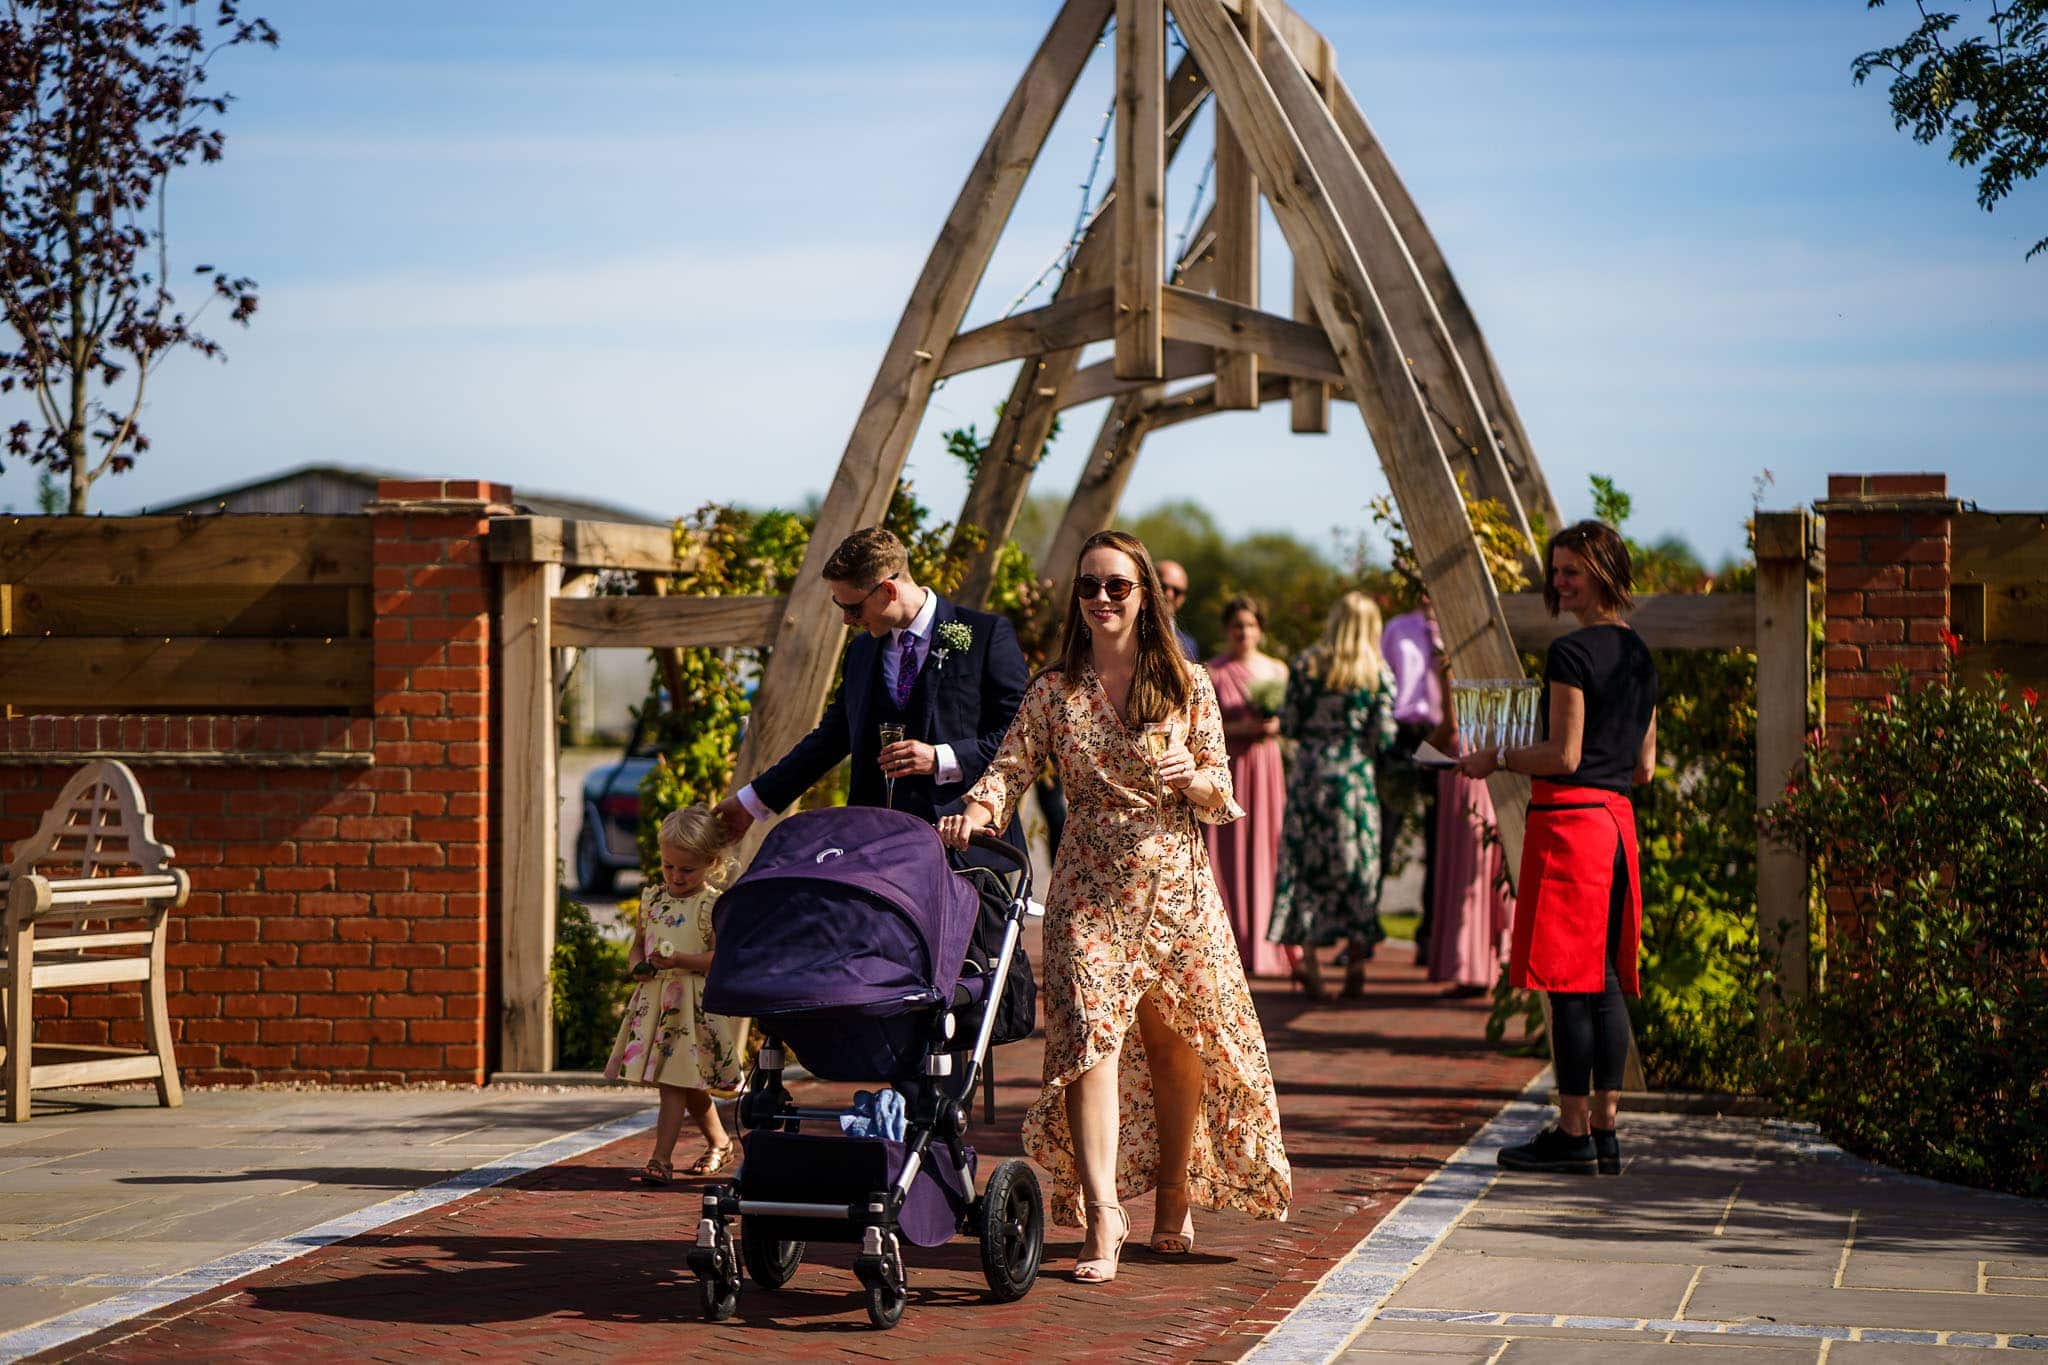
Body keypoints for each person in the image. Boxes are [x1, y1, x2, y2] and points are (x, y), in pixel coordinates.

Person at [938, 530, 1290, 1285]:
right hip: (1088, 891)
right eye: (1089, 586)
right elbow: (1008, 768)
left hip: (1176, 888)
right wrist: (976, 810)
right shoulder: (1055, 689)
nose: (1101, 598)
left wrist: (1191, 777)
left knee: (1174, 1041)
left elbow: (1222, 793)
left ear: (1144, 594)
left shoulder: (1187, 683)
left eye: (1117, 586)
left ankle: (1173, 1192)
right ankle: (1104, 1213)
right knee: (1087, 1046)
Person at [1457, 520, 1658, 1176]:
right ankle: (1605, 1130)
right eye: (1557, 571)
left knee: (1569, 983)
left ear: (1603, 571)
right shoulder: (1641, 654)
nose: (1560, 582)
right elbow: (1645, 768)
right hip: (1617, 823)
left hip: (1572, 825)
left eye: (1572, 571)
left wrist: (1497, 757)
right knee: (1605, 978)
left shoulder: (1572, 653)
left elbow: (1564, 755)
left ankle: (1572, 1132)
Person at [714, 526, 1030, 836]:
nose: (846, 619)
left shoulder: (986, 635)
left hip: (964, 840)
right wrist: (750, 803)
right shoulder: (861, 651)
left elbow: (1021, 736)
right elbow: (831, 738)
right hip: (876, 843)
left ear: (888, 591)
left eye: (853, 608)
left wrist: (941, 758)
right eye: (840, 606)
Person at [1266, 592, 1399, 999]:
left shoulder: (1306, 665)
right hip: (1353, 781)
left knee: (1304, 868)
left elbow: (1288, 723)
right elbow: (1385, 734)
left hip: (1310, 778)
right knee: (1359, 868)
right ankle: (1356, 961)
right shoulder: (1376, 673)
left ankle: (1309, 963)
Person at [605, 806, 746, 1183]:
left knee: (674, 1083)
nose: (676, 876)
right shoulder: (653, 900)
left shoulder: (711, 905)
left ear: (711, 864)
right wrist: (637, 965)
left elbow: (719, 957)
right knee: (684, 1081)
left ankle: (660, 1159)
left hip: (692, 1010)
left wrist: (681, 959)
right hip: (657, 1003)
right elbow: (638, 945)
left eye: (687, 869)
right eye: (669, 866)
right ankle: (720, 1142)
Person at [1204, 594, 1291, 979]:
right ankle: (1230, 942)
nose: (1244, 632)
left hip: (1266, 768)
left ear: (1261, 629)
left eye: (1251, 625)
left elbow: (1293, 718)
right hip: (1229, 767)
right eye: (1238, 625)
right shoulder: (1213, 672)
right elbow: (1203, 727)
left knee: (1267, 844)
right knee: (1227, 850)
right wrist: (1241, 728)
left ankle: (1266, 942)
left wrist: (1275, 726)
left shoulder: (1277, 670)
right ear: (1227, 629)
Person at [1425, 672, 1514, 996]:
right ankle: (1493, 961)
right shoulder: (1494, 664)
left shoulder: (1450, 664)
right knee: (1485, 862)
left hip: (1463, 765)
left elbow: (1451, 725)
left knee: (1465, 866)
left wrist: (1422, 752)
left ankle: (1470, 966)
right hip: (1492, 761)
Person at [1378, 599, 1444, 964]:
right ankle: (1365, 932)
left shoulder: (1453, 629)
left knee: (1439, 838)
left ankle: (1430, 936)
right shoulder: (1397, 628)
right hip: (1403, 734)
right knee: (1385, 833)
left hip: (1442, 734)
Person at [1156, 558, 1201, 660]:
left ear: (1183, 598)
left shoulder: (1189, 645)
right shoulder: (1127, 632)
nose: (1169, 594)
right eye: (1162, 587)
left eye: (1177, 591)